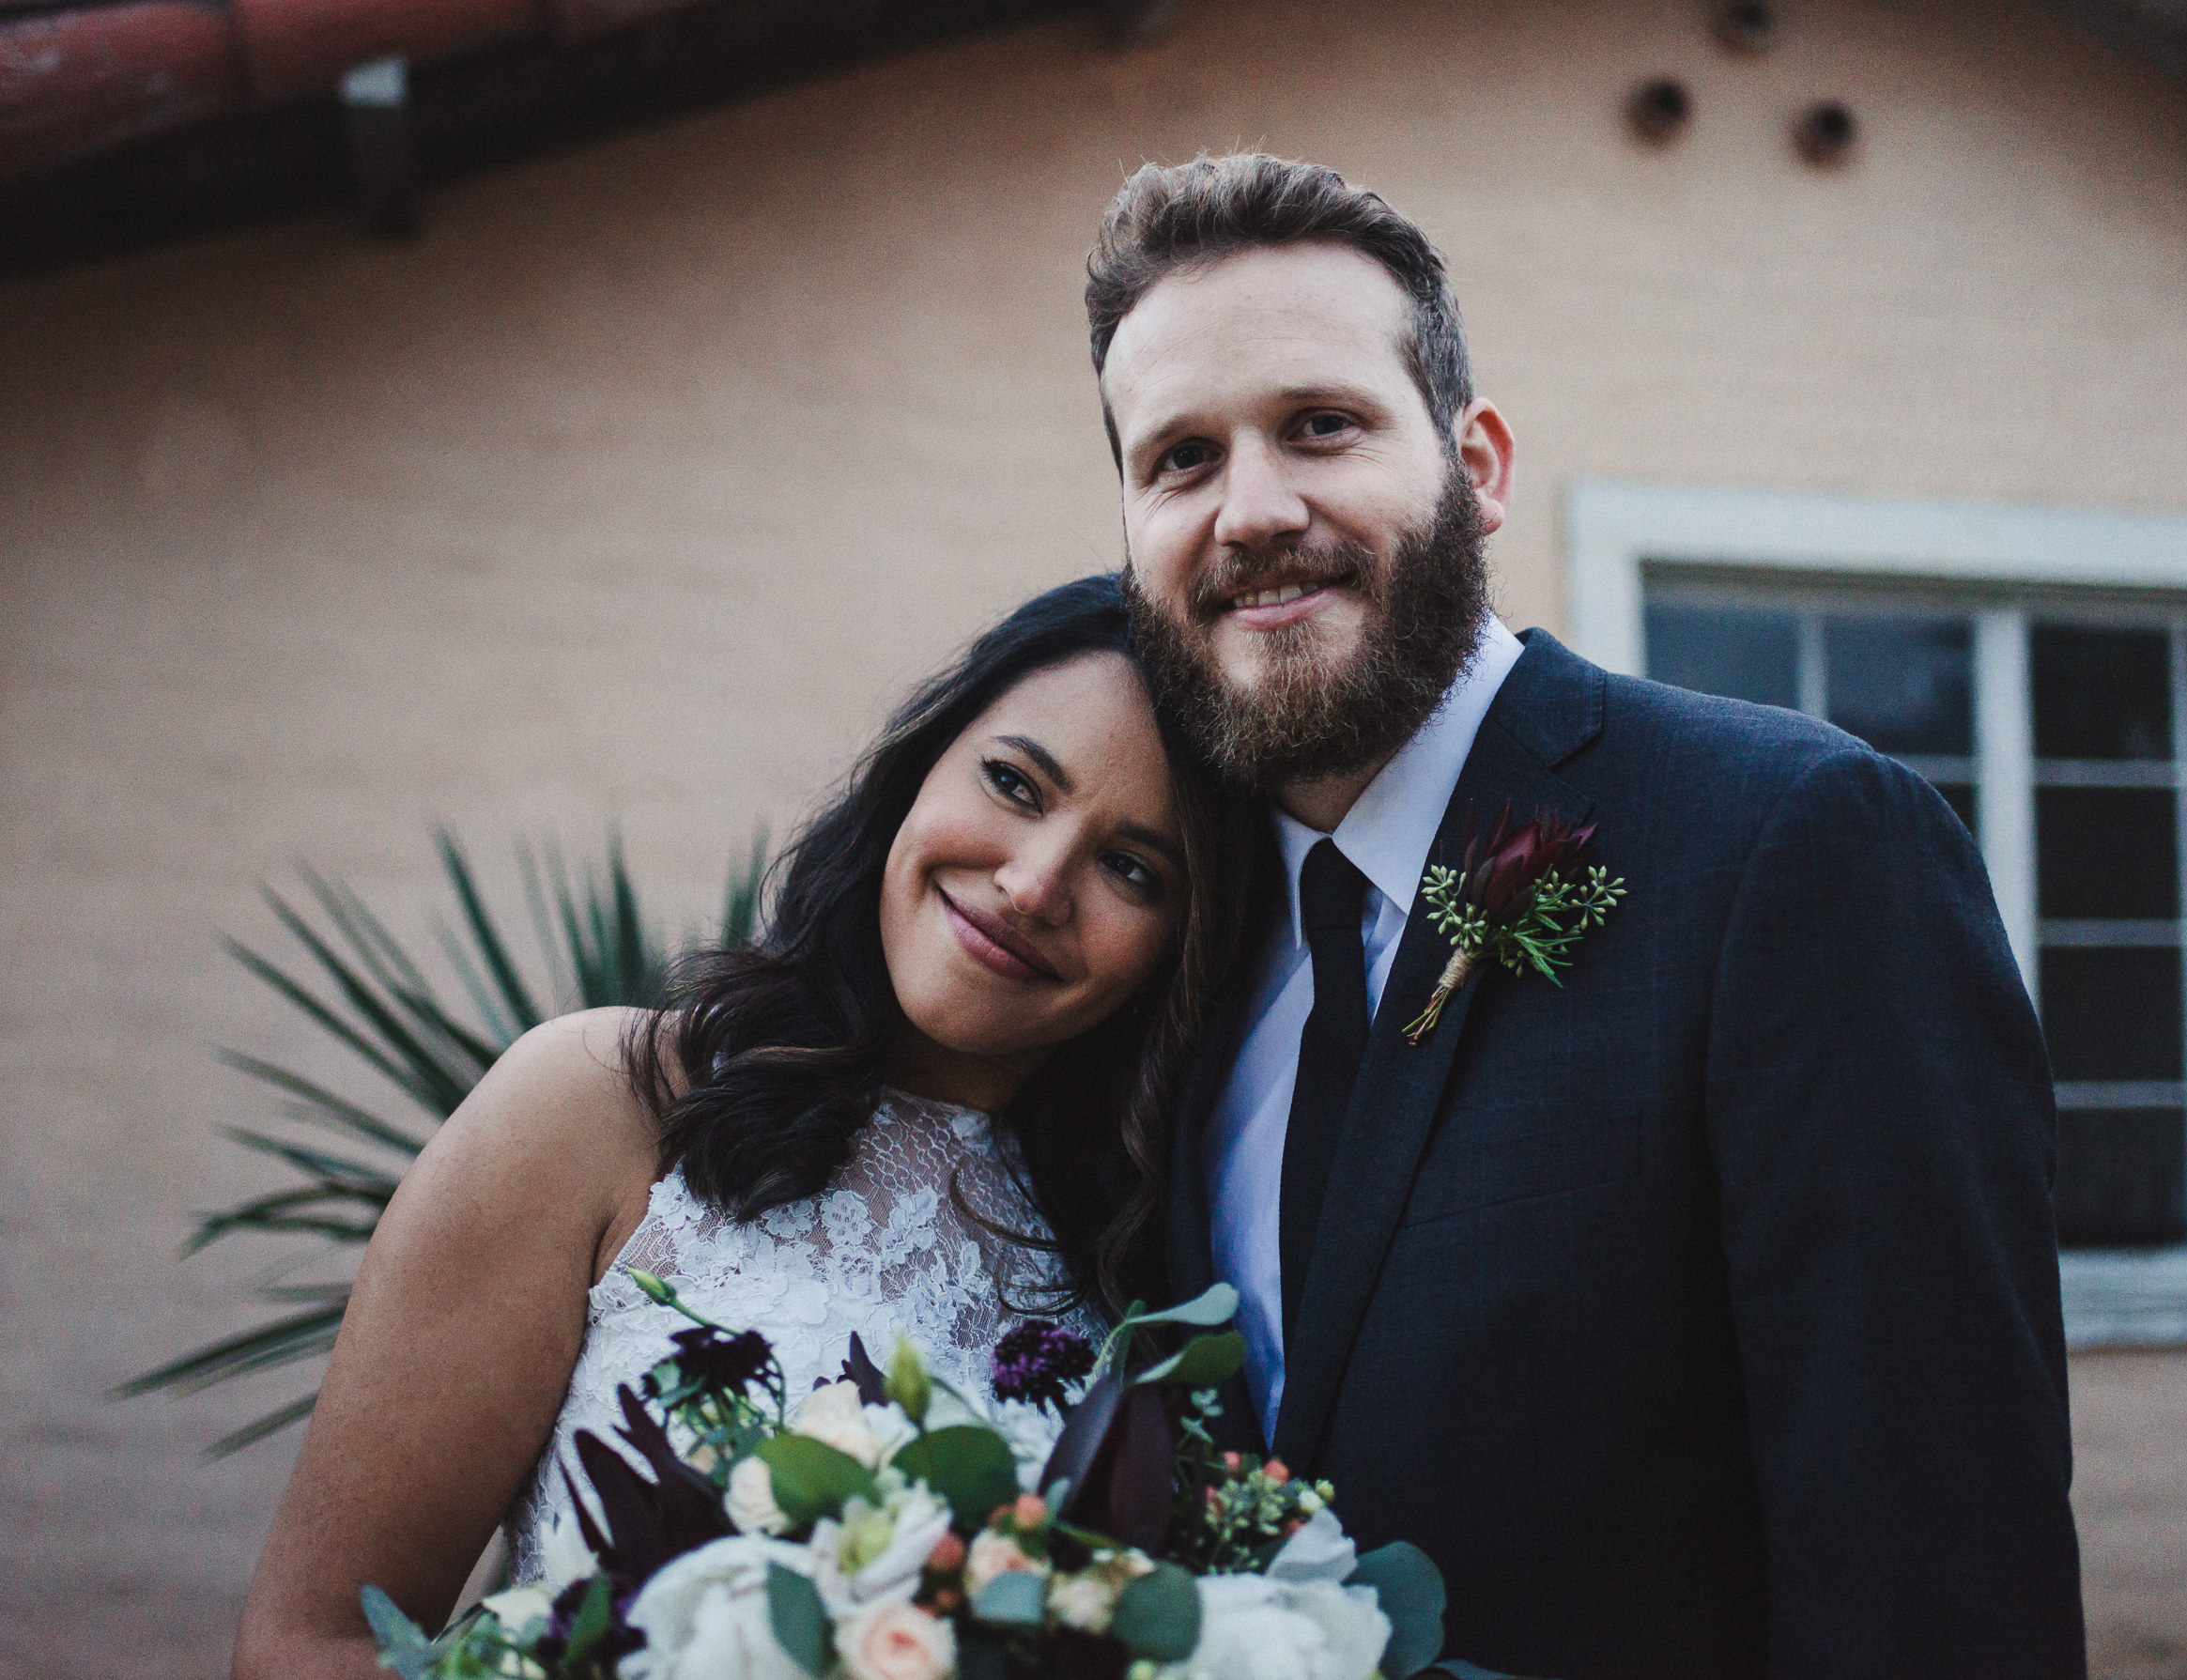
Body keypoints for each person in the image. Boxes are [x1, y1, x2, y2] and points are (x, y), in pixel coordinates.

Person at [1091, 154, 2087, 1677]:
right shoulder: (1181, 933)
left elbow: (1935, 1569)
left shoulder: (1791, 845)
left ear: (1477, 463)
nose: (1253, 509)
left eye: (1320, 425)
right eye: (1179, 459)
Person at [230, 576, 1260, 1678]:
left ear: (1182, 945)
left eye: (1131, 868)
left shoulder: (1161, 1268)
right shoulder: (598, 1105)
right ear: (918, 772)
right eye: (1012, 783)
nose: (1032, 882)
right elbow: (310, 1643)